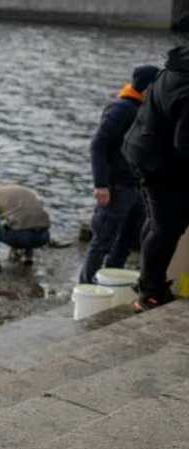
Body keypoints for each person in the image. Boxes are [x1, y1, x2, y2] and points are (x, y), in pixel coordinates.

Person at [121, 45, 189, 311]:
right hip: (158, 162)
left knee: (156, 220)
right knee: (166, 227)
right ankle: (150, 294)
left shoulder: (176, 67)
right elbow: (185, 145)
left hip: (142, 149)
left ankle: (147, 283)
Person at [78, 65, 160, 284]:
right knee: (102, 241)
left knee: (127, 242)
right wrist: (101, 184)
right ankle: (85, 285)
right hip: (116, 187)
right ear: (148, 87)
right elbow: (98, 145)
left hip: (137, 187)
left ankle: (110, 283)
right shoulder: (121, 109)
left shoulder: (146, 109)